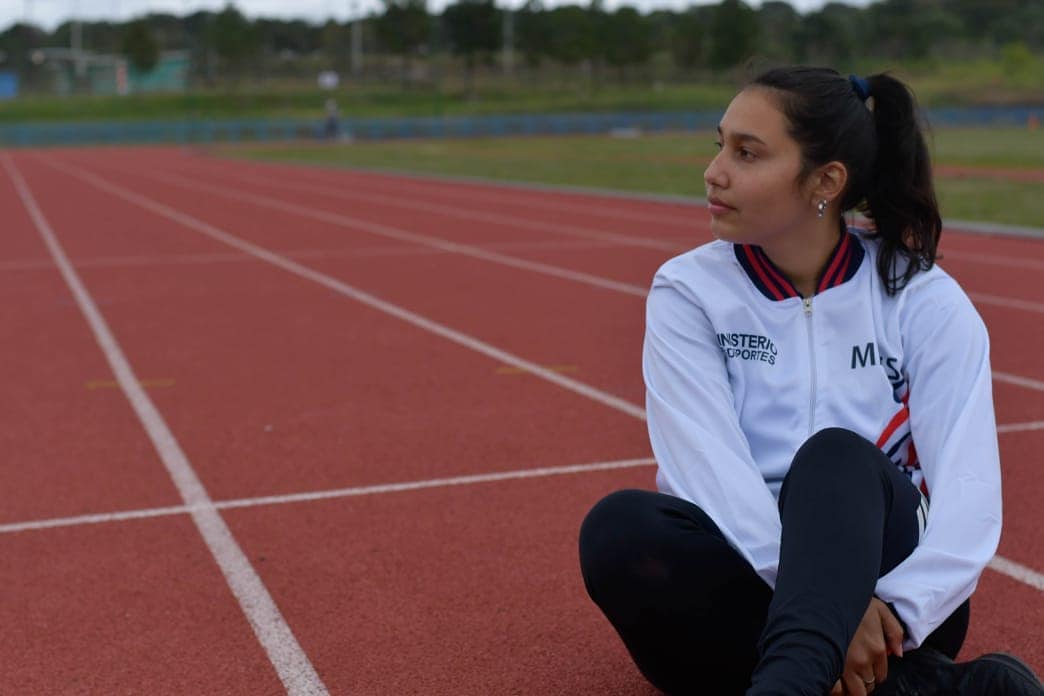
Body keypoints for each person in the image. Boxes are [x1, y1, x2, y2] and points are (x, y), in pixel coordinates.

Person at [578, 66, 1044, 696]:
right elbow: (705, 472)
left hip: (895, 594)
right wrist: (821, 612)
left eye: (747, 153)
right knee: (620, 531)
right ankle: (920, 687)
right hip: (757, 581)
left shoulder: (921, 297)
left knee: (834, 456)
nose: (714, 171)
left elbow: (968, 495)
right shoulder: (689, 292)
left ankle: (791, 680)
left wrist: (899, 608)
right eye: (719, 145)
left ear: (826, 181)